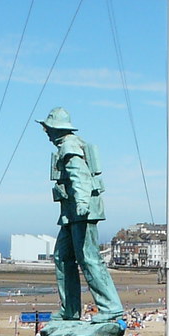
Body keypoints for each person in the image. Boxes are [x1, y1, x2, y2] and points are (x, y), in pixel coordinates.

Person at [38, 107, 124, 323]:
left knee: (89, 258)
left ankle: (110, 307)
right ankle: (70, 310)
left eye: (48, 128)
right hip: (71, 213)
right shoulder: (68, 145)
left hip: (80, 211)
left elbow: (79, 175)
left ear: (56, 129)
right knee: (62, 257)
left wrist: (83, 203)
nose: (46, 132)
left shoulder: (69, 146)